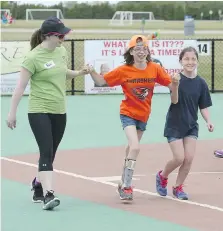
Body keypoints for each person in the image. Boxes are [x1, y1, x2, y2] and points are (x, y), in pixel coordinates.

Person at [6, 17, 90, 210]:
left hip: (59, 109)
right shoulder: (33, 58)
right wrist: (12, 113)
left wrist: (79, 73)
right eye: (60, 35)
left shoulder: (61, 51)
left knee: (51, 154)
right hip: (38, 110)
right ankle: (48, 194)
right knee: (46, 151)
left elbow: (62, 71)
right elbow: (20, 87)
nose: (63, 38)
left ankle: (37, 184)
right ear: (49, 36)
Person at [87, 35, 180, 201]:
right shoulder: (124, 70)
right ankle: (127, 187)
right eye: (137, 49)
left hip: (143, 115)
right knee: (135, 147)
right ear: (130, 52)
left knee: (130, 149)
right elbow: (101, 82)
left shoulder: (155, 68)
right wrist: (92, 71)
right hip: (127, 113)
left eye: (144, 48)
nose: (141, 52)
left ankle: (123, 181)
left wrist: (175, 83)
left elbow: (170, 85)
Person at [156, 46, 214, 200]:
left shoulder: (201, 83)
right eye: (187, 59)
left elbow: (203, 106)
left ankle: (178, 187)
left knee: (188, 159)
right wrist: (175, 85)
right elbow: (174, 100)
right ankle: (163, 176)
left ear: (197, 61)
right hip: (174, 125)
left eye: (193, 59)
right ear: (181, 61)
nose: (190, 62)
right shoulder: (175, 79)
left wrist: (208, 121)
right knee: (179, 158)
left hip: (191, 126)